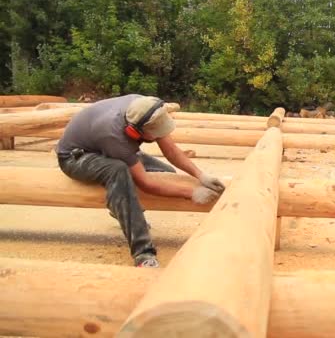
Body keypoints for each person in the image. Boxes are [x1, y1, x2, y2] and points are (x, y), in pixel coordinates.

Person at [56, 94, 225, 267]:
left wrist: (200, 175)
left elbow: (172, 151)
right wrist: (192, 192)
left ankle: (119, 206)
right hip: (76, 156)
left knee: (166, 173)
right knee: (118, 171)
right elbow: (147, 183)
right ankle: (143, 254)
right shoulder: (114, 136)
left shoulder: (146, 109)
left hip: (105, 145)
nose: (159, 136)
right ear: (135, 132)